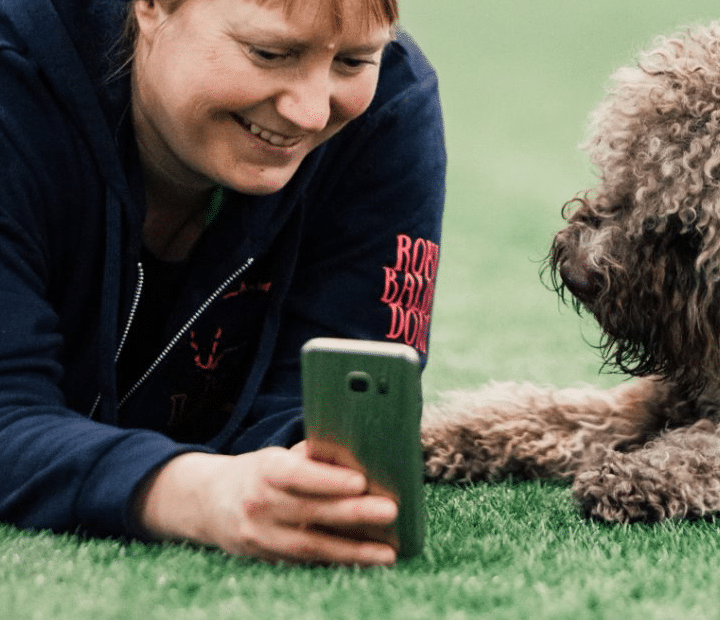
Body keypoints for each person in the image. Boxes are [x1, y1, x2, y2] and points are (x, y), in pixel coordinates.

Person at [0, 0, 445, 566]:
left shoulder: (390, 106)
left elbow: (330, 405)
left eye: (354, 61)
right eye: (269, 53)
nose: (310, 113)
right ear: (153, 7)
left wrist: (304, 478)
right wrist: (195, 493)